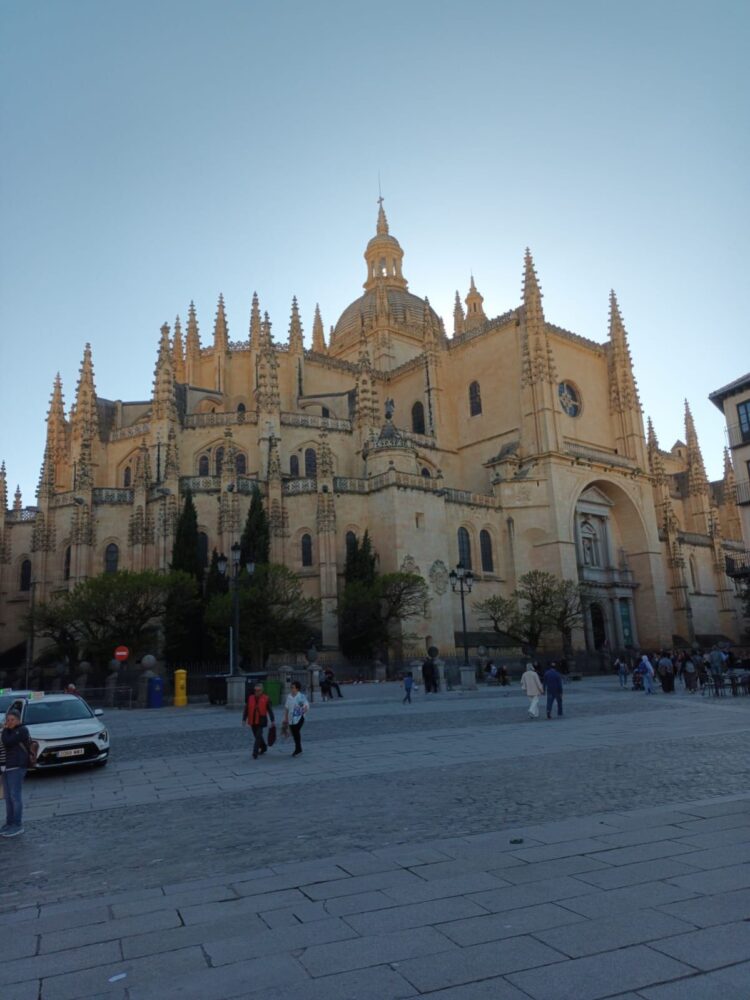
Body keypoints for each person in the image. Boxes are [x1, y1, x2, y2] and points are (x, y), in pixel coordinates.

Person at [1, 708, 30, 837]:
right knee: (8, 798)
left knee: (15, 796)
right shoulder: (8, 731)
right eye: (8, 720)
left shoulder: (22, 730)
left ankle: (17, 825)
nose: (10, 722)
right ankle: (9, 823)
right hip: (7, 768)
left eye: (12, 720)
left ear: (19, 720)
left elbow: (8, 741)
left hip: (17, 767)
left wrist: (5, 729)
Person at [242, 683, 275, 760]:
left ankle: (255, 752)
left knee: (258, 736)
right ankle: (263, 747)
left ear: (262, 690)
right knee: (257, 735)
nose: (256, 692)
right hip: (252, 719)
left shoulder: (266, 698)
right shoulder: (250, 698)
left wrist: (272, 720)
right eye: (255, 690)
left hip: (261, 719)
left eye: (258, 690)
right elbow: (246, 709)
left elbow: (270, 710)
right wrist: (244, 719)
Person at [283, 680, 309, 757]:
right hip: (291, 719)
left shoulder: (301, 697)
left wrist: (301, 711)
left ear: (297, 689)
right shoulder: (289, 696)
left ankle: (298, 749)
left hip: (300, 718)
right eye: (291, 687)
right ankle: (298, 749)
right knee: (294, 733)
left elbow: (305, 706)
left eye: (293, 687)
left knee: (296, 731)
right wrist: (285, 718)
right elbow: (287, 708)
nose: (291, 689)